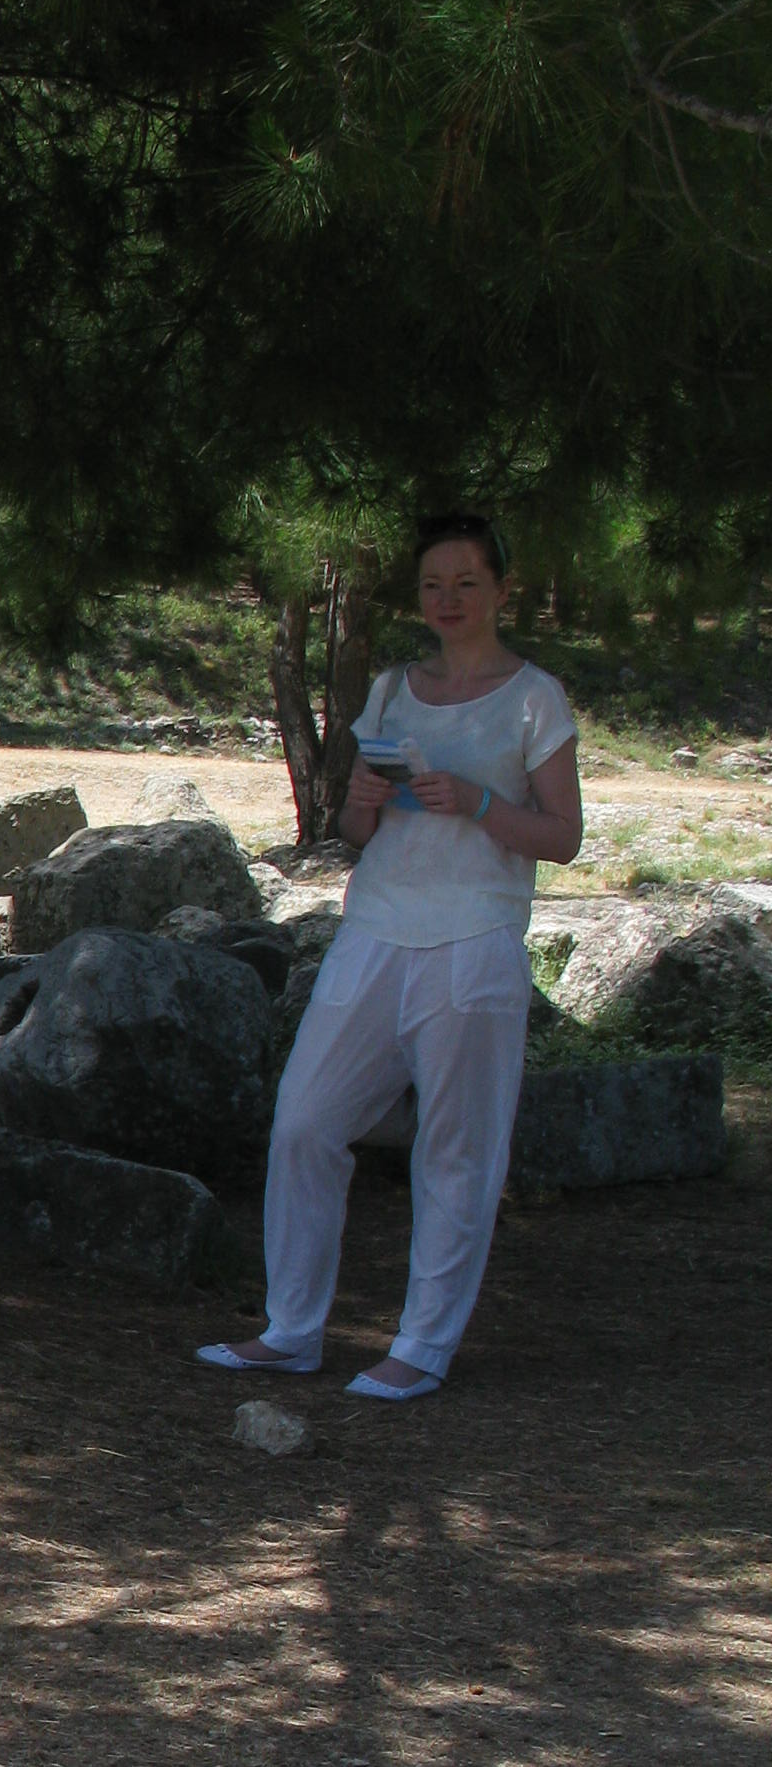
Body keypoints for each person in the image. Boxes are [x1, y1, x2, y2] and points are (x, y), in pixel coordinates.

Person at [200, 509, 582, 1401]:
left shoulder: (535, 697)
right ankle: (291, 1330)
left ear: (500, 590)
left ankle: (422, 1347)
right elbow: (356, 829)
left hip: (473, 940)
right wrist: (365, 797)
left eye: (466, 583)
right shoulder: (392, 690)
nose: (448, 600)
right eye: (433, 585)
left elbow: (562, 837)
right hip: (375, 930)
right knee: (305, 1121)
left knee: (456, 1148)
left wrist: (479, 803)